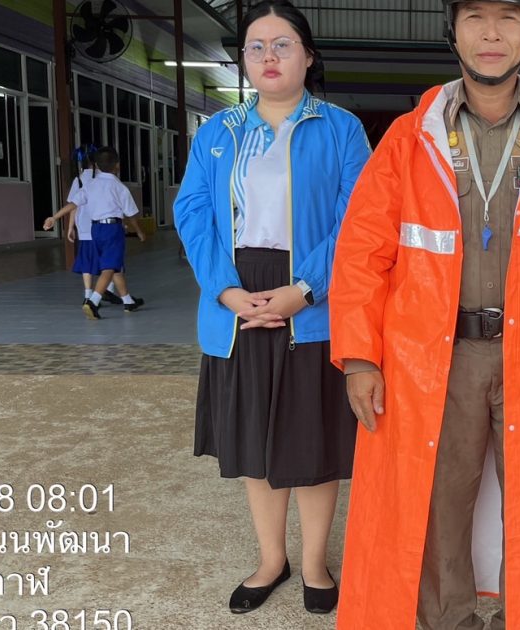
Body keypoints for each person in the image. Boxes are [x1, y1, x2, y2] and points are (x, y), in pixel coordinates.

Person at [328, 1, 520, 628]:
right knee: (439, 497)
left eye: (508, 17)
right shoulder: (409, 138)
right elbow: (363, 252)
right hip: (438, 356)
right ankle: (449, 619)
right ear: (453, 32)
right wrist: (360, 356)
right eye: (475, 16)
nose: (492, 34)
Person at [172, 0, 369, 616]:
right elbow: (192, 212)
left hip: (310, 297)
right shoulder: (218, 131)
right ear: (244, 61)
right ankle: (270, 560)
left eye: (282, 44)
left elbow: (358, 220)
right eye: (255, 47)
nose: (268, 56)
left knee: (311, 441)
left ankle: (313, 563)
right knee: (254, 442)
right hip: (237, 296)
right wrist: (225, 291)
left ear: (308, 56)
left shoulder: (341, 129)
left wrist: (305, 289)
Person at [71, 147, 146, 320]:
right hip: (112, 229)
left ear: (96, 166)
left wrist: (54, 217)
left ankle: (127, 300)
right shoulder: (119, 187)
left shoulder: (90, 184)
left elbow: (73, 204)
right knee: (110, 267)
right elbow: (131, 214)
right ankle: (93, 301)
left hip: (95, 230)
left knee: (115, 263)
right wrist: (139, 231)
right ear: (117, 165)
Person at [43, 148, 124, 306]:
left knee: (87, 260)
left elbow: (74, 205)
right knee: (109, 259)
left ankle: (88, 293)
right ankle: (109, 290)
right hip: (106, 226)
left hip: (86, 227)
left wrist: (70, 226)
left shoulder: (79, 180)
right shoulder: (107, 179)